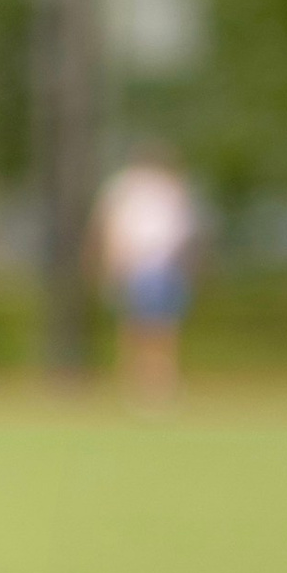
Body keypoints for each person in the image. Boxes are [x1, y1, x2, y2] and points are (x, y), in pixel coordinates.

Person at [92, 149, 202, 405]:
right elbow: (110, 227)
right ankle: (139, 381)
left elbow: (183, 231)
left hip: (164, 265)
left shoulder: (168, 188)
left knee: (161, 325)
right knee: (139, 324)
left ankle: (158, 380)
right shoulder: (126, 188)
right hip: (136, 265)